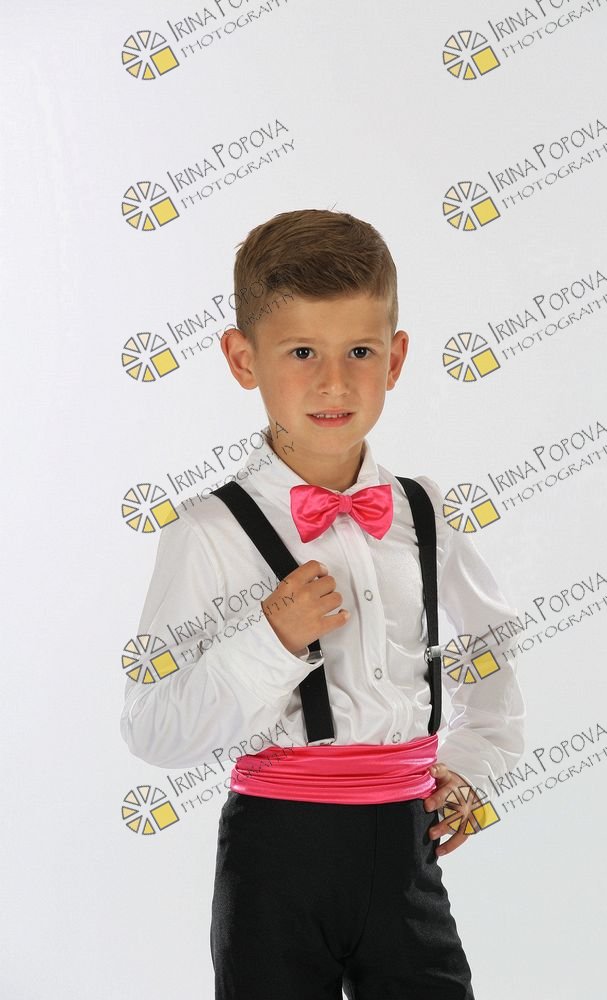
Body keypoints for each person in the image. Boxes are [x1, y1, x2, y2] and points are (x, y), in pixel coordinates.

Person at [120, 208, 526, 999]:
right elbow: (152, 728)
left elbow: (491, 645)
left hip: (406, 848)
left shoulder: (423, 511)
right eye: (301, 351)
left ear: (396, 358)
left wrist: (472, 767)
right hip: (276, 857)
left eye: (359, 352)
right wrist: (270, 640)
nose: (334, 382)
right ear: (243, 359)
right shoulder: (208, 532)